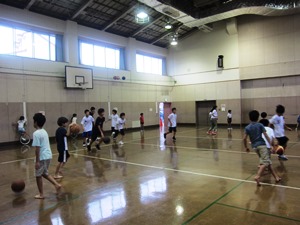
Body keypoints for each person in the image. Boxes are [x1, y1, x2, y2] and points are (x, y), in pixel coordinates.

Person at [243, 110, 281, 186]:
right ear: (257, 117)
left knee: (268, 162)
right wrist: (270, 145)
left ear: (250, 118)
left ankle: (276, 177)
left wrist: (246, 147)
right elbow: (266, 136)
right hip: (262, 146)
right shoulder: (260, 125)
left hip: (254, 147)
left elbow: (244, 138)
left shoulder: (247, 127)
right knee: (266, 162)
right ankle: (258, 176)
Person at [32, 113, 61, 199]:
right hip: (48, 155)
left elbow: (37, 148)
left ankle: (41, 194)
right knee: (44, 173)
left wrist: (37, 161)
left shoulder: (36, 133)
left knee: (38, 175)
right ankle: (57, 185)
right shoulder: (44, 131)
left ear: (36, 122)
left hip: (42, 157)